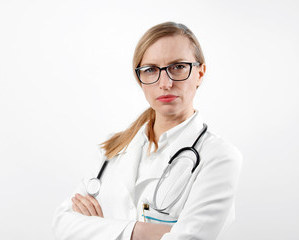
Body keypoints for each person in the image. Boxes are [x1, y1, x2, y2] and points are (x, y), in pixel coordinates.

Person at [52, 22, 243, 240]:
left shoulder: (220, 157)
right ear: (140, 78)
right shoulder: (112, 148)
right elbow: (62, 224)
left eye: (178, 67)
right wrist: (142, 231)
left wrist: (100, 228)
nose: (165, 83)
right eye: (151, 70)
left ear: (200, 73)